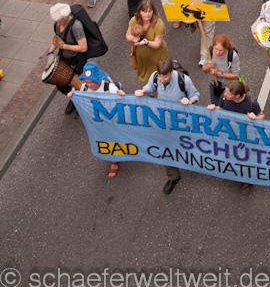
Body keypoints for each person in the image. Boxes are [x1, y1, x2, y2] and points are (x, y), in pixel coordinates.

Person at [135, 58, 200, 194]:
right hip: (163, 121)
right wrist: (143, 91)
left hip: (182, 122)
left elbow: (195, 95)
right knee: (166, 147)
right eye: (160, 76)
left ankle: (192, 162)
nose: (162, 80)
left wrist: (190, 101)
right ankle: (173, 176)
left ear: (171, 72)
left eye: (165, 77)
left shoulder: (183, 80)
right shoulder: (155, 77)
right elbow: (150, 87)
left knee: (186, 144)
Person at [68, 61, 125, 176]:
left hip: (110, 119)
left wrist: (120, 94)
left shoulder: (108, 87)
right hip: (97, 120)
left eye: (92, 82)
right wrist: (72, 96)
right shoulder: (84, 88)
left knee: (113, 138)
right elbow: (81, 97)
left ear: (98, 79)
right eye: (87, 82)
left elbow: (118, 96)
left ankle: (114, 161)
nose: (89, 85)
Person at [47, 2, 89, 114]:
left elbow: (83, 47)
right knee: (61, 84)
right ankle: (73, 98)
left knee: (79, 84)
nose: (57, 23)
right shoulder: (58, 24)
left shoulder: (76, 27)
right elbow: (56, 39)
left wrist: (64, 46)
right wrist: (50, 53)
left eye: (59, 21)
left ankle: (83, 103)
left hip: (77, 60)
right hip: (64, 58)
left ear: (65, 18)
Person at [126, 0, 168, 83]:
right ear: (140, 12)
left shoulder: (159, 24)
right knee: (148, 79)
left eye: (150, 11)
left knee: (159, 77)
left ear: (153, 11)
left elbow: (157, 44)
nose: (147, 14)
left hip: (156, 56)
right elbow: (128, 36)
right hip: (142, 57)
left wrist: (147, 42)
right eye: (144, 11)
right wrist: (134, 39)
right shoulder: (134, 20)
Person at [200, 33, 241, 105]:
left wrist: (219, 74)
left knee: (229, 106)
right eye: (216, 49)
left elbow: (235, 75)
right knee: (216, 105)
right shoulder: (210, 51)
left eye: (221, 50)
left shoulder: (232, 55)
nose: (218, 53)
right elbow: (204, 70)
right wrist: (208, 66)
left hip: (229, 86)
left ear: (226, 48)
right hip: (214, 84)